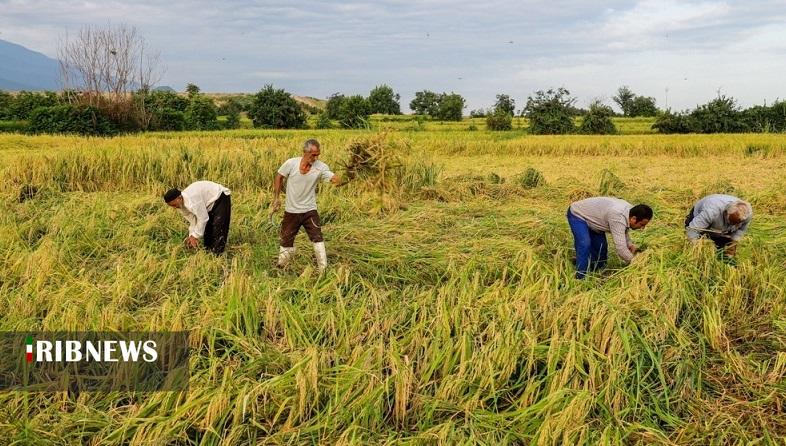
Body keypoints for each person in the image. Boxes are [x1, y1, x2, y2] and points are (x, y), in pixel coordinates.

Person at [271, 139, 342, 273]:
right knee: (286, 239)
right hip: (291, 210)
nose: (316, 158)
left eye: (318, 155)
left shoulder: (321, 167)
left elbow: (333, 179)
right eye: (313, 155)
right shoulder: (291, 163)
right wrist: (276, 198)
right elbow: (279, 176)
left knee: (317, 238)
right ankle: (281, 266)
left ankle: (323, 269)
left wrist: (345, 178)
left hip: (310, 210)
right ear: (305, 152)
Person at [567, 197, 653, 279]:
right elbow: (621, 249)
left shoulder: (631, 212)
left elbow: (623, 229)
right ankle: (580, 277)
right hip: (578, 214)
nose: (642, 228)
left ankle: (593, 269)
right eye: (642, 224)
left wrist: (630, 245)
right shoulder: (618, 216)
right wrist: (636, 261)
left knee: (601, 249)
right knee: (584, 244)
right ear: (634, 219)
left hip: (594, 219)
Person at [163, 180, 231, 254]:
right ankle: (208, 252)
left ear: (179, 198)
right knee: (208, 229)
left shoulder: (193, 200)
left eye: (174, 205)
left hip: (220, 197)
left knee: (218, 227)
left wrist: (195, 236)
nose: (174, 207)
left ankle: (217, 255)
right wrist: (191, 235)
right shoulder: (180, 206)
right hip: (207, 204)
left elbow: (203, 218)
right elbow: (193, 221)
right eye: (171, 206)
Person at [685, 194, 752, 259]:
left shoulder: (747, 215)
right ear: (725, 213)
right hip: (699, 216)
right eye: (731, 222)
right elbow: (692, 230)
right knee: (691, 242)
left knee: (721, 250)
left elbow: (741, 230)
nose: (732, 225)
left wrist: (733, 243)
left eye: (736, 224)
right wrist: (697, 248)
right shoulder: (711, 211)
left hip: (718, 223)